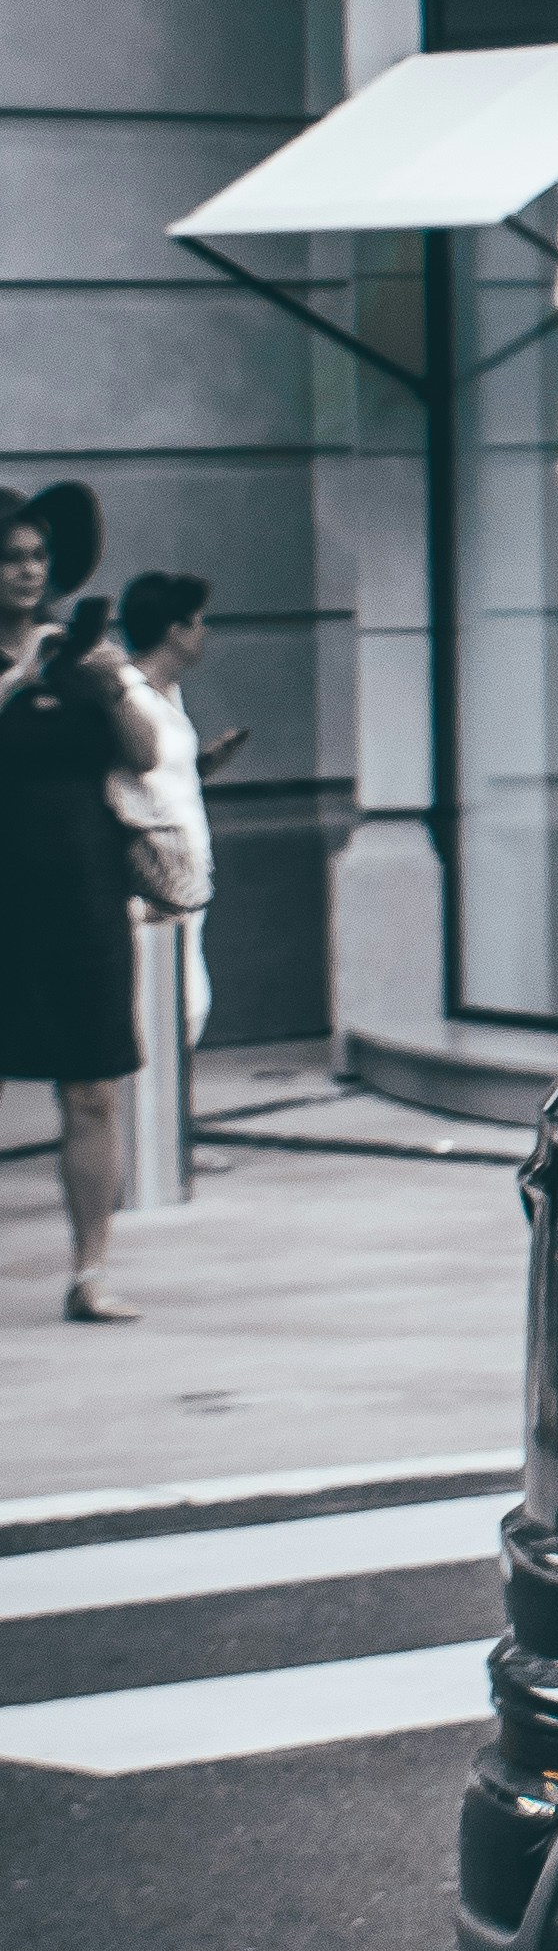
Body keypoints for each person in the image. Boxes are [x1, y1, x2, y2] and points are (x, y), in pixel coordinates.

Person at [0, 588, 145, 1321]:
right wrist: (14, 686)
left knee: (93, 1089)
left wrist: (117, 684)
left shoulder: (77, 658)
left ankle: (90, 1272)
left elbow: (145, 754)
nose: (25, 570)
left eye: (35, 555)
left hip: (85, 897)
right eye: (10, 554)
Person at [103, 571, 236, 1052]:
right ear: (175, 630)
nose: (205, 632)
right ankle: (149, 1123)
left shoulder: (168, 693)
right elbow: (120, 781)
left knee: (188, 1004)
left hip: (187, 874)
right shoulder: (125, 694)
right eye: (198, 621)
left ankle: (166, 1121)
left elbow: (157, 778)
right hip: (152, 883)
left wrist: (201, 767)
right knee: (161, 1007)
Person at [0, 478, 100, 697]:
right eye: (12, 558)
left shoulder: (63, 648)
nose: (30, 571)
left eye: (39, 556)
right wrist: (19, 677)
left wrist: (120, 688)